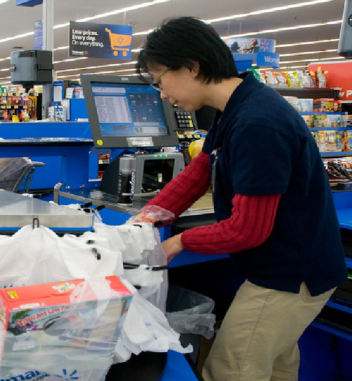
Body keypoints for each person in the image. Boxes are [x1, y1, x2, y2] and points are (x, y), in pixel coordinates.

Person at [134, 17, 347, 381]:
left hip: (291, 276)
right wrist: (148, 217)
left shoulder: (258, 123)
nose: (163, 95)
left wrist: (178, 241)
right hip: (293, 266)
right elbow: (200, 170)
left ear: (191, 67)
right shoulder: (237, 107)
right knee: (276, 367)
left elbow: (248, 229)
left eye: (160, 81)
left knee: (232, 369)